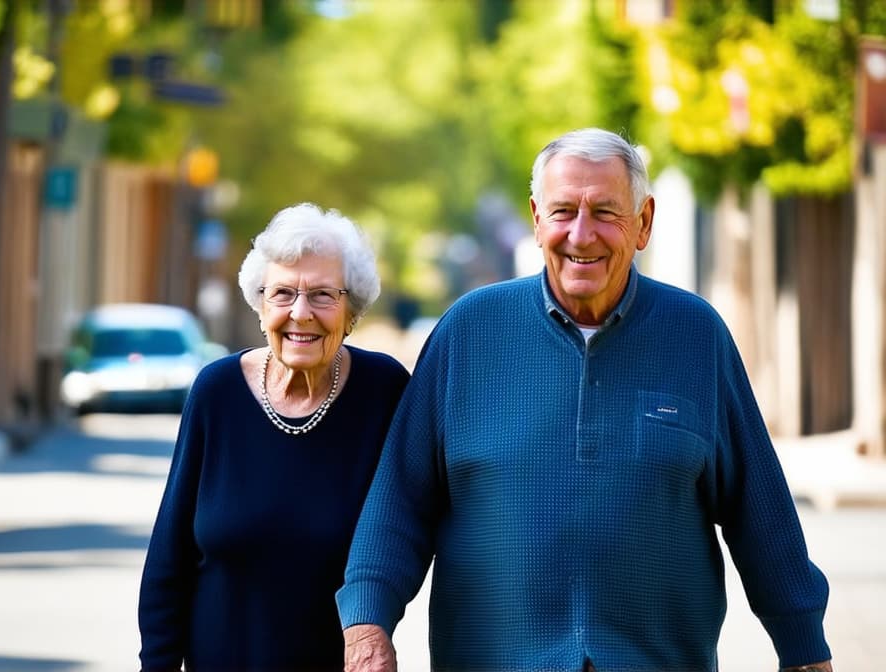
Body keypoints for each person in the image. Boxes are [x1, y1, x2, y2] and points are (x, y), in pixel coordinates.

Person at [336, 128, 833, 672]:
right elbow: (399, 504)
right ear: (535, 218)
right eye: (563, 211)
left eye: (605, 213)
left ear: (643, 222)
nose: (581, 233)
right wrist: (367, 625)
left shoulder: (697, 335)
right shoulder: (468, 332)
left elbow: (760, 512)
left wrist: (803, 647)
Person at [138, 202, 411, 671]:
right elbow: (170, 559)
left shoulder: (384, 392)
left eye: (323, 295)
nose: (300, 313)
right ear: (261, 307)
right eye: (282, 293)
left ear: (352, 311)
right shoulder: (217, 391)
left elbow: (415, 527)